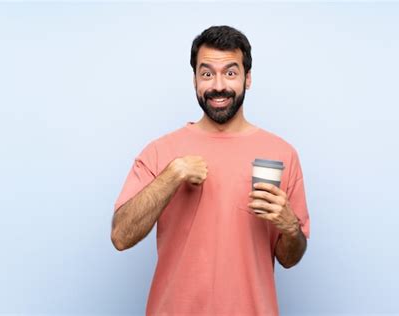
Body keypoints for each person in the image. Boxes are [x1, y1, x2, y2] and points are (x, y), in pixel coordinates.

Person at [111, 25, 310, 316]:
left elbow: (290, 258)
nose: (218, 85)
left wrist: (290, 226)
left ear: (248, 78)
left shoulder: (282, 154)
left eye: (230, 73)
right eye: (207, 74)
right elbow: (121, 236)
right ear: (194, 80)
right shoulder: (159, 152)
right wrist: (173, 174)